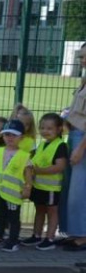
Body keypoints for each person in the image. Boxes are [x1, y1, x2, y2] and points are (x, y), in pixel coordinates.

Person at [0, 119, 35, 252]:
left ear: (21, 137)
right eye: (7, 135)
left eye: (14, 135)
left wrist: (27, 188)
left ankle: (13, 240)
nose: (10, 138)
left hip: (13, 193)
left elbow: (28, 173)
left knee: (13, 217)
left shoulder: (24, 155)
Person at [25, 113, 68, 250]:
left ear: (59, 129)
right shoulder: (42, 144)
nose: (45, 131)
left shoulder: (60, 145)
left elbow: (60, 166)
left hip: (51, 189)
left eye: (49, 128)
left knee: (52, 212)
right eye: (42, 128)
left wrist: (39, 171)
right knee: (39, 210)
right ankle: (36, 235)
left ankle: (49, 239)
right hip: (38, 186)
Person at [62, 45, 86, 250]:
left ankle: (82, 235)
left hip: (82, 139)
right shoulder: (84, 81)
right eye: (81, 56)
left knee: (80, 190)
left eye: (85, 57)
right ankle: (74, 231)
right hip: (74, 134)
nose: (82, 60)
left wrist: (80, 148)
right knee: (71, 188)